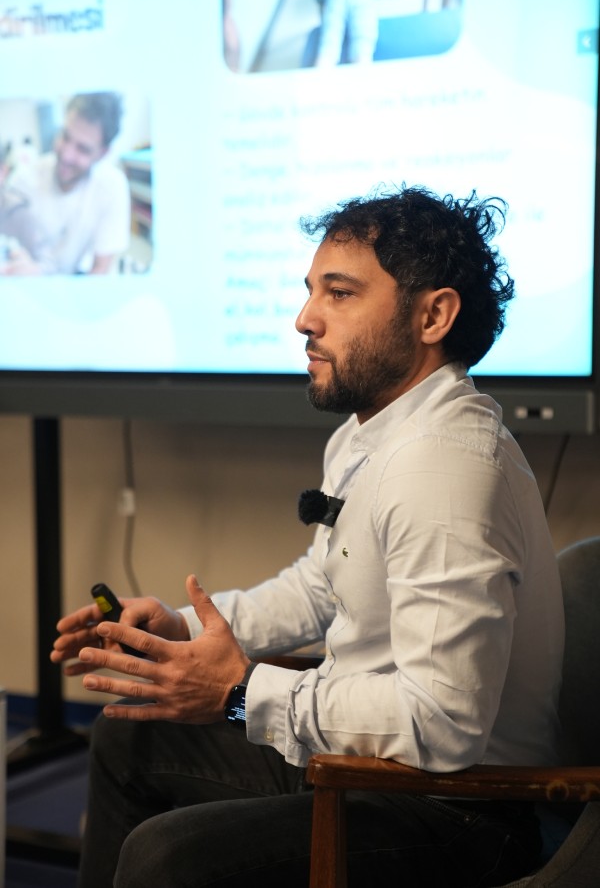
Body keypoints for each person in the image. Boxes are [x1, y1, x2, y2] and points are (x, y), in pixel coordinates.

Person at [51, 185, 564, 888]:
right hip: (366, 767)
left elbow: (442, 724)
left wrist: (239, 691)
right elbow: (325, 584)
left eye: (340, 293)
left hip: (460, 810)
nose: (305, 319)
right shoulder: (369, 433)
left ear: (433, 315)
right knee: (129, 735)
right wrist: (185, 630)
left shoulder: (445, 468)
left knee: (163, 857)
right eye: (311, 291)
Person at [2, 92, 130, 276]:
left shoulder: (112, 187)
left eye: (83, 149)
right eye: (65, 136)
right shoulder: (24, 180)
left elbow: (100, 269)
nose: (67, 155)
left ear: (103, 153)